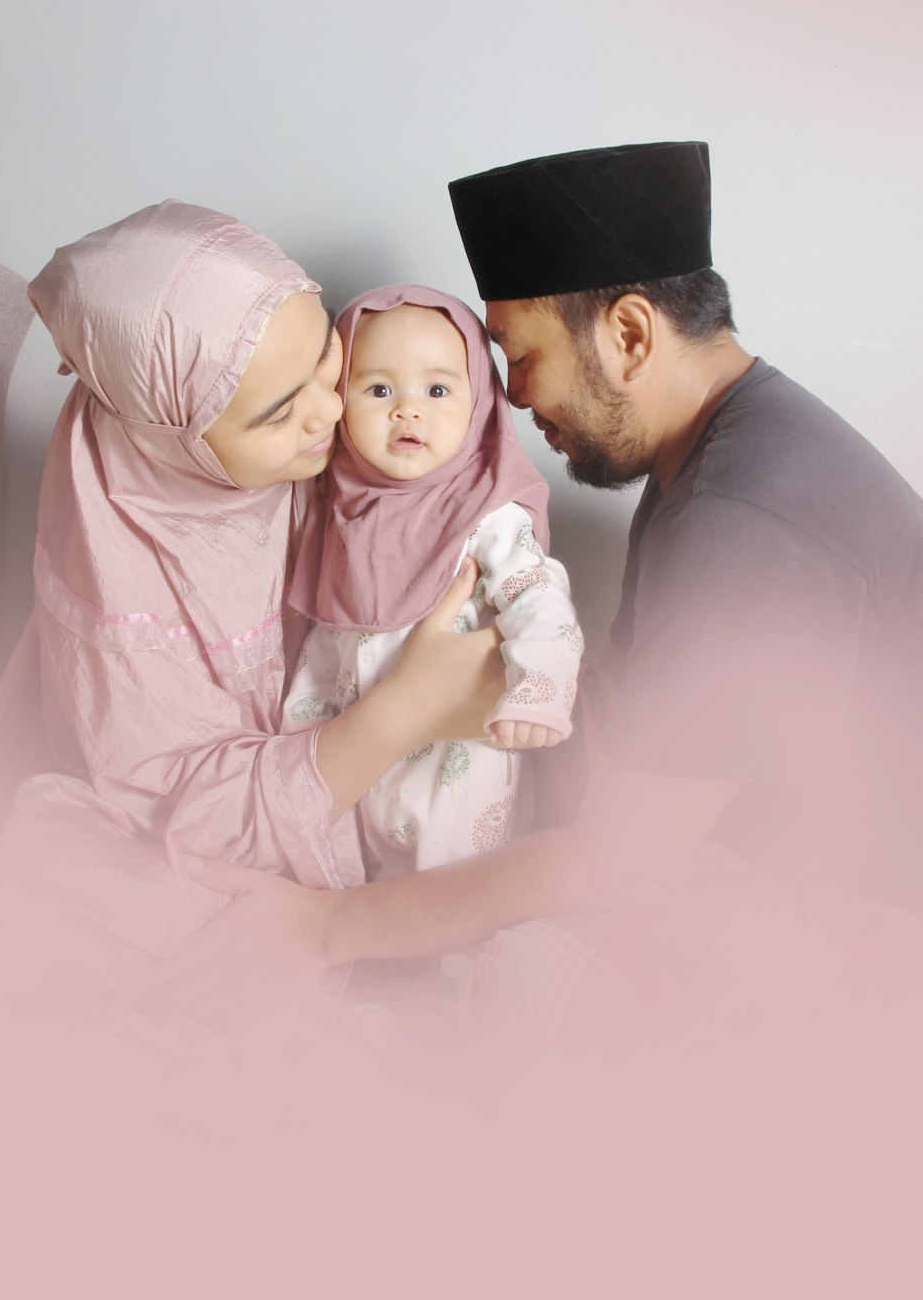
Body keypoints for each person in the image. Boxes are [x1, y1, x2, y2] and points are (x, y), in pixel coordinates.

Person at [146, 143, 923, 1041]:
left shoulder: (746, 518)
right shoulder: (725, 445)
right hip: (756, 865)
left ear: (629, 335)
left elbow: (618, 861)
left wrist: (322, 930)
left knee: (493, 1006)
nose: (509, 398)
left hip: (873, 927)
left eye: (521, 356)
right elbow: (628, 738)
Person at [0, 200, 502, 1003]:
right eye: (281, 412)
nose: (334, 410)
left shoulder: (314, 450)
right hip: (169, 830)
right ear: (177, 442)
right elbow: (184, 813)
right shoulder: (122, 582)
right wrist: (402, 712)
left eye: (327, 361)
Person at [284, 284, 583, 876]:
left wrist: (540, 689)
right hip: (359, 759)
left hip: (457, 767)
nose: (407, 410)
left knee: (455, 893)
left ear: (479, 405)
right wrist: (302, 731)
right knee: (350, 891)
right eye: (377, 389)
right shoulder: (337, 509)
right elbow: (326, 639)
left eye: (439, 389)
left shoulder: (487, 514)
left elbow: (540, 599)